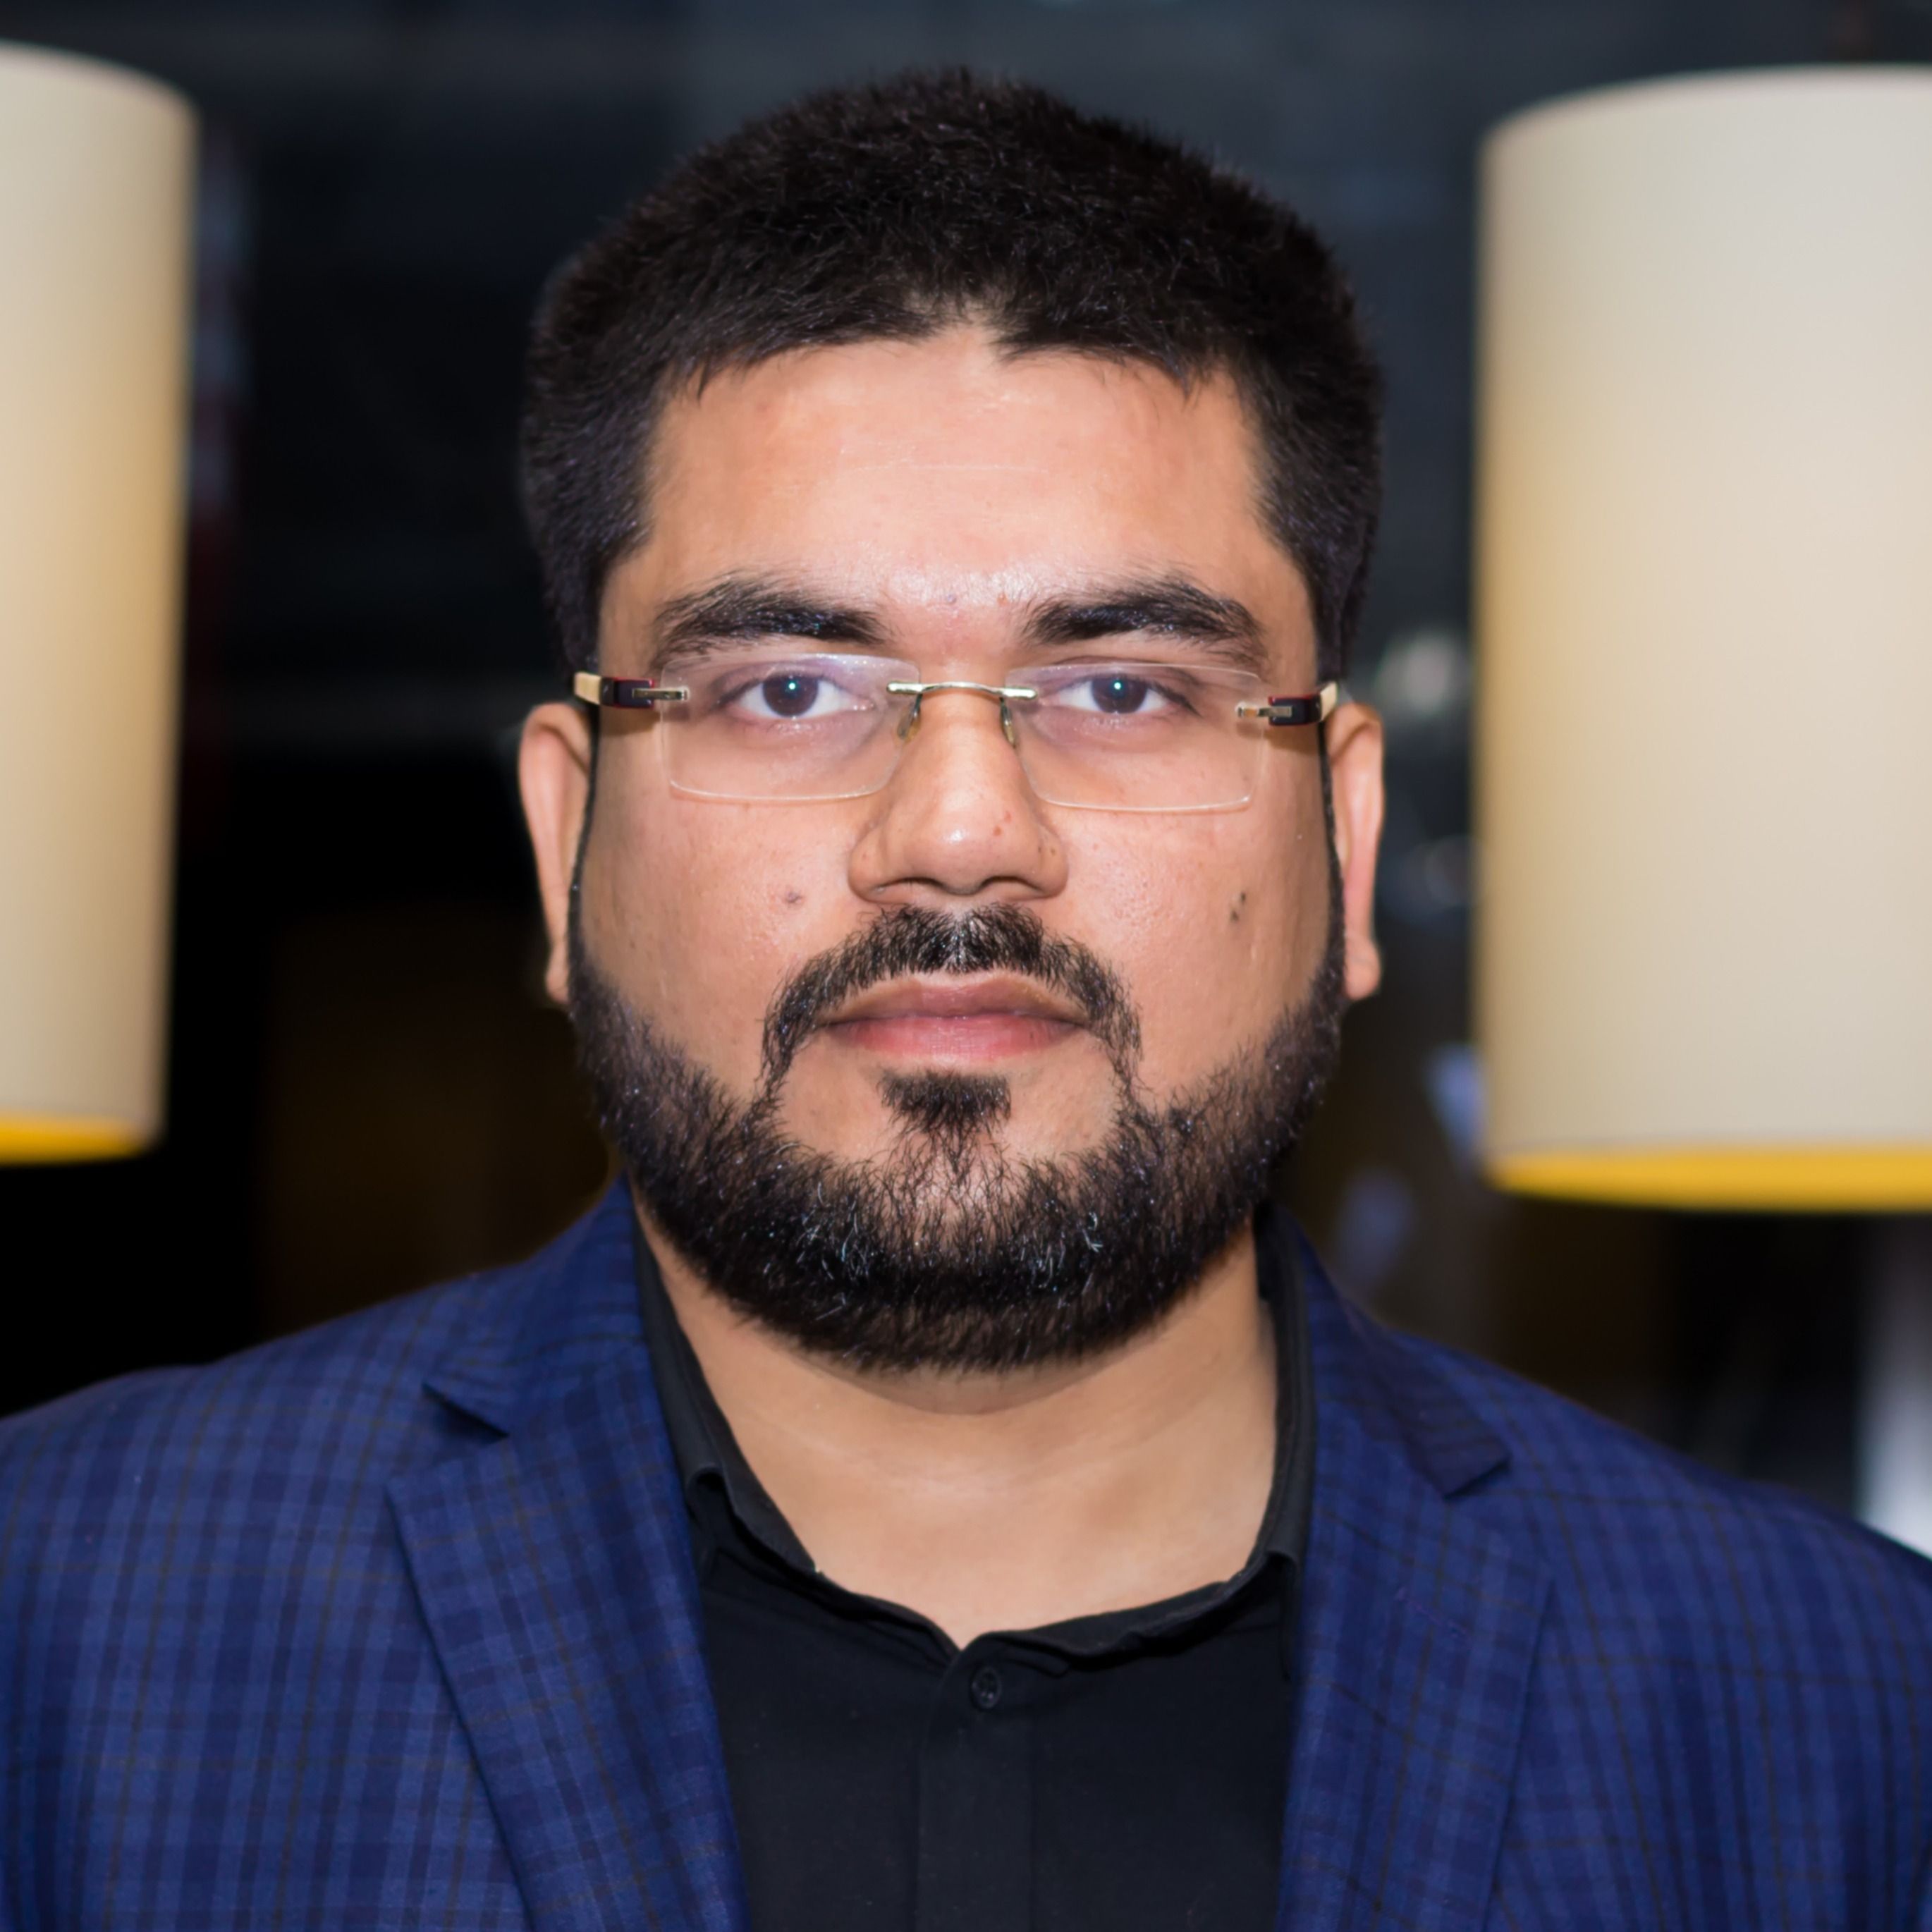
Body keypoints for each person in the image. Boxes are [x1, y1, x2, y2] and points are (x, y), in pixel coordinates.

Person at [3, 70, 1928, 1932]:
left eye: (1120, 689)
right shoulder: (56, 1628)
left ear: (1345, 844)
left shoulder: (1843, 1721)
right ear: (566, 836)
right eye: (786, 688)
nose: (954, 834)